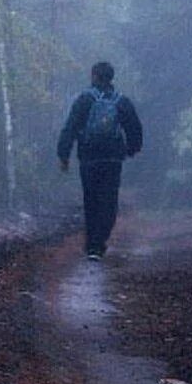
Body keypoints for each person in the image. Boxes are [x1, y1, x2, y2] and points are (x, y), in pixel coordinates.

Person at [56, 61, 143, 261]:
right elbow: (134, 128)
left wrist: (64, 154)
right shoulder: (121, 101)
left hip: (88, 157)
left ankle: (93, 247)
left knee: (91, 199)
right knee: (109, 199)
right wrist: (132, 149)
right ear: (111, 78)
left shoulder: (84, 99)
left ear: (94, 76)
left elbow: (70, 127)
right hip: (113, 158)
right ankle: (100, 240)